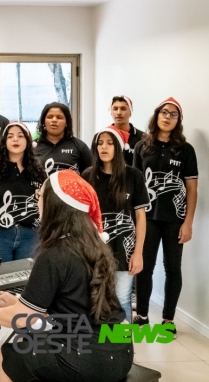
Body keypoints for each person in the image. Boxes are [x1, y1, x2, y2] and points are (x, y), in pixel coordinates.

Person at [0, 170, 132, 382]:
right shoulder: (96, 246)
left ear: (55, 205)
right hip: (121, 351)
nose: (37, 201)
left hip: (89, 359)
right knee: (34, 341)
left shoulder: (55, 254)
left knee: (9, 351)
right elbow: (74, 308)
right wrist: (18, 303)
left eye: (40, 196)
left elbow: (21, 319)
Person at [133, 98, 198, 337]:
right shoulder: (142, 147)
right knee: (143, 268)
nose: (168, 116)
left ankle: (168, 319)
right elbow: (136, 186)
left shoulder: (186, 149)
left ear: (178, 120)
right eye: (164, 111)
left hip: (175, 220)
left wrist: (188, 222)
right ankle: (141, 316)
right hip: (147, 218)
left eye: (174, 114)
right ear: (156, 115)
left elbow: (192, 188)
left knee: (173, 268)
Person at [82, 126, 149, 321]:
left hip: (124, 248)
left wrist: (138, 253)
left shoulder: (133, 176)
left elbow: (140, 217)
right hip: (93, 249)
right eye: (100, 143)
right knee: (94, 298)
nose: (104, 147)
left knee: (121, 299)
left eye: (109, 143)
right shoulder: (88, 175)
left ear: (118, 148)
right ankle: (100, 347)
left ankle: (123, 347)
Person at [0, 121, 46, 261]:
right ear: (4, 142)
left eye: (20, 136)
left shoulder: (39, 171)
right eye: (10, 136)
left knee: (26, 278)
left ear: (27, 141)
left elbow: (44, 202)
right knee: (0, 278)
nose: (15, 139)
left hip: (30, 234)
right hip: (0, 234)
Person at [34, 102, 92, 175]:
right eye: (50, 117)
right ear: (43, 121)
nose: (54, 120)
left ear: (66, 122)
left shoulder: (80, 147)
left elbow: (90, 176)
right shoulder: (33, 146)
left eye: (59, 117)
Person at [110, 95, 144, 166]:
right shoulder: (102, 137)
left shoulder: (143, 138)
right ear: (111, 112)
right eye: (115, 109)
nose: (118, 112)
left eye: (123, 109)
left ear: (130, 112)